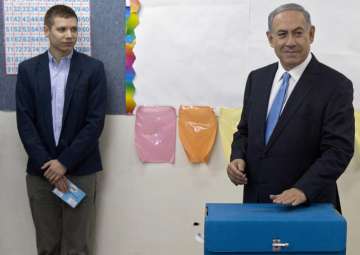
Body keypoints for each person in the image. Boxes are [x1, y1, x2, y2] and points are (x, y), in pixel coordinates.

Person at [227, 3, 354, 212]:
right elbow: (244, 132)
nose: (290, 42)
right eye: (282, 34)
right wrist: (237, 157)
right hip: (256, 205)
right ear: (270, 39)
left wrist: (303, 189)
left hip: (309, 206)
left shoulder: (336, 85)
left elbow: (339, 149)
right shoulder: (256, 79)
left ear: (311, 34)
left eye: (298, 33)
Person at [16, 5, 107, 254]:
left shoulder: (93, 70)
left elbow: (95, 122)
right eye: (62, 29)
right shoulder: (28, 70)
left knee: (77, 246)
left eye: (74, 29)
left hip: (80, 170)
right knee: (47, 245)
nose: (69, 35)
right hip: (41, 172)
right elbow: (25, 122)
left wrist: (64, 162)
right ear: (47, 31)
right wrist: (49, 164)